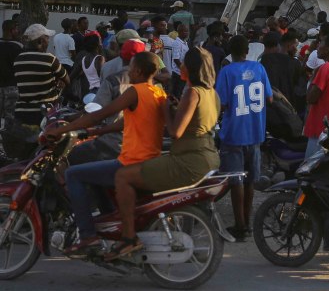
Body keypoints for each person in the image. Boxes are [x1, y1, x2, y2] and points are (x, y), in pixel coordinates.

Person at [50, 51, 166, 258]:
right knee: (95, 176)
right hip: (147, 159)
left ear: (138, 71)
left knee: (73, 174)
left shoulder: (135, 91)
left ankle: (88, 237)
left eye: (130, 68)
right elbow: (126, 122)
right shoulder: (158, 92)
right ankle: (109, 225)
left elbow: (100, 114)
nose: (128, 71)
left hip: (131, 162)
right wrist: (98, 132)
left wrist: (60, 130)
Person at [112, 47, 220, 254]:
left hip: (188, 160)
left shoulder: (192, 92)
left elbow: (175, 132)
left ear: (191, 69)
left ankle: (128, 237)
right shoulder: (211, 93)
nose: (181, 67)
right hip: (209, 155)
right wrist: (175, 108)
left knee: (123, 176)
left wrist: (164, 109)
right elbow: (196, 122)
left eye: (184, 64)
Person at [215, 35, 273, 241]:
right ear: (247, 50)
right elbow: (269, 97)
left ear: (230, 52)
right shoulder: (259, 69)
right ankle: (247, 223)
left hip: (233, 132)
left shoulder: (227, 71)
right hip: (255, 131)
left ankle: (240, 226)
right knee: (249, 180)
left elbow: (221, 103)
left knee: (235, 179)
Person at [14, 24, 68, 126]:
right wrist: (59, 81)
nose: (48, 41)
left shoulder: (18, 59)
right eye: (47, 38)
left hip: (22, 112)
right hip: (45, 114)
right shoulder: (49, 59)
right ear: (40, 41)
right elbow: (67, 80)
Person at [0, 20, 22, 130]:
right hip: (12, 86)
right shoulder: (17, 46)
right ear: (12, 30)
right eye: (16, 29)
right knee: (10, 117)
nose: (18, 31)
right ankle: (7, 141)